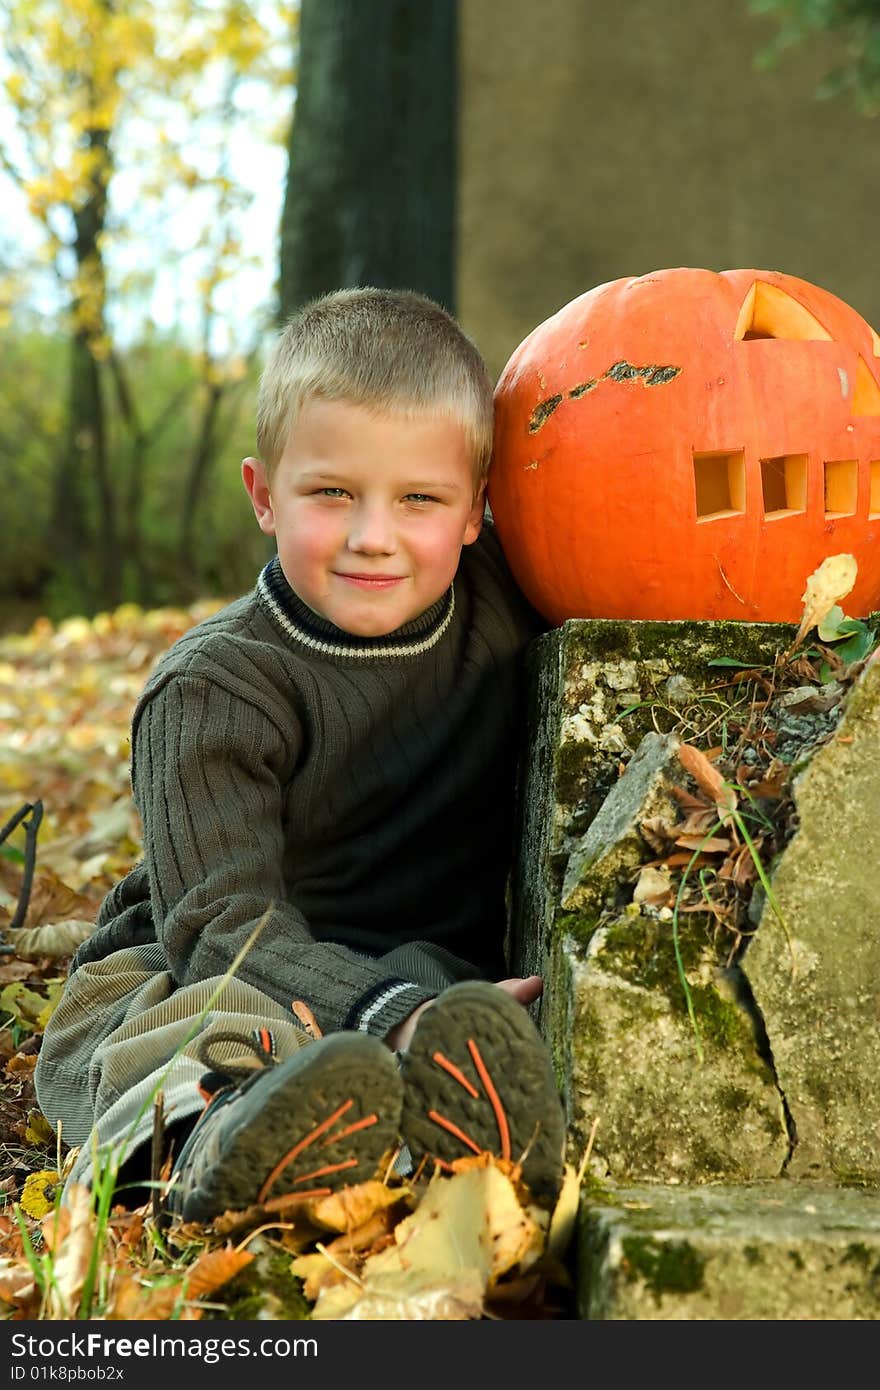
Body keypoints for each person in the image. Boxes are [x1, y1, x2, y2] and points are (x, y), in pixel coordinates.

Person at [34, 287, 566, 1222]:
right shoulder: (216, 688)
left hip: (410, 964)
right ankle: (221, 1142)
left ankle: (442, 1131)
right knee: (213, 1034)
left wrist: (407, 1006)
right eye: (331, 494)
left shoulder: (504, 606)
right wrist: (381, 1008)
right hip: (217, 961)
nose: (373, 535)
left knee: (456, 1011)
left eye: (419, 499)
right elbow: (219, 928)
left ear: (478, 511)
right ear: (262, 496)